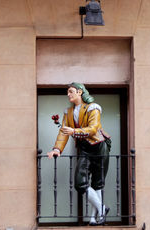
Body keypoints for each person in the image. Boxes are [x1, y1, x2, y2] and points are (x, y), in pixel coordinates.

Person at [47, 82, 111, 225]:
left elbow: (93, 129)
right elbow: (63, 133)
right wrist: (57, 149)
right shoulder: (68, 112)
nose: (68, 94)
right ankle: (102, 209)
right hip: (85, 149)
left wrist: (74, 131)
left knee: (97, 184)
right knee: (80, 183)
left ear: (80, 92)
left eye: (71, 91)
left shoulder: (93, 108)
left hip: (99, 146)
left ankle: (95, 218)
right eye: (68, 92)